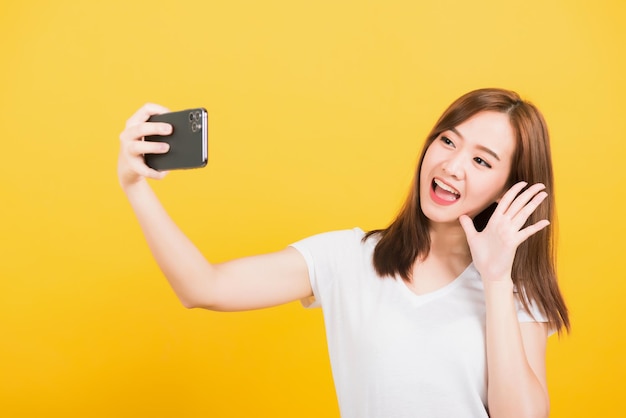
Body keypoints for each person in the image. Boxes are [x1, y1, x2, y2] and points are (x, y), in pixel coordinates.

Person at [117, 88, 569, 418]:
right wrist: (134, 187)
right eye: (448, 141)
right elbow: (203, 287)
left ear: (511, 189)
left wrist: (495, 279)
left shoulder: (511, 288)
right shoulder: (348, 258)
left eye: (482, 161)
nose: (451, 165)